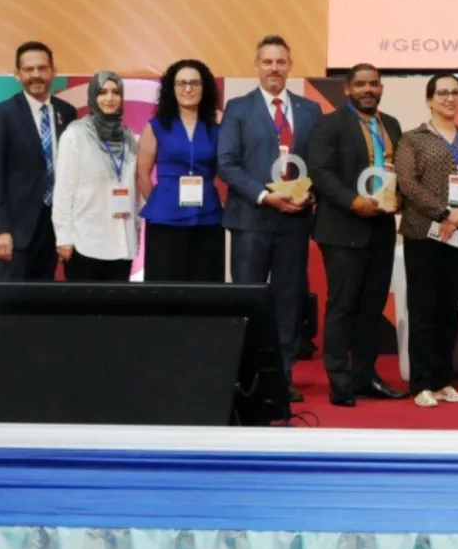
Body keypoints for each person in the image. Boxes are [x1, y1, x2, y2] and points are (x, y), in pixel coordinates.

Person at [216, 35, 322, 403]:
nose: (274, 68)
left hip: (294, 220)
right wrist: (265, 196)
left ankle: (283, 376)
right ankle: (244, 375)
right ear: (256, 66)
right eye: (267, 62)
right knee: (248, 300)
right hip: (251, 219)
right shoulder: (238, 108)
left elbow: (319, 165)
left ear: (290, 65)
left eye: (280, 62)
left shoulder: (310, 110)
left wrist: (308, 195)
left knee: (289, 301)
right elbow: (226, 163)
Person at [309, 64, 406, 406]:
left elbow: (400, 171)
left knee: (371, 309)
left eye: (374, 84)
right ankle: (339, 383)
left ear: (381, 88)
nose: (369, 89)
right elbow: (320, 172)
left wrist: (401, 200)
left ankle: (365, 377)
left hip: (381, 229)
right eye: (361, 84)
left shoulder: (391, 124)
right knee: (342, 307)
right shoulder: (330, 123)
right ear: (347, 90)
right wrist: (353, 202)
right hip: (343, 229)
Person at [395, 74, 458, 408]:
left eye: (455, 92)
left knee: (449, 309)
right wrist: (442, 212)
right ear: (429, 99)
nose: (450, 98)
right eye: (443, 93)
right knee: (422, 309)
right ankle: (420, 382)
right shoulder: (412, 139)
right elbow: (407, 183)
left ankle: (442, 380)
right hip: (423, 233)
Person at [136, 59, 225, 282]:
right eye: (181, 83)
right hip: (165, 219)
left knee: (205, 285)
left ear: (205, 88)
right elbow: (143, 175)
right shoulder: (156, 125)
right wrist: (163, 201)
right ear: (171, 88)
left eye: (195, 83)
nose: (188, 89)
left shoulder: (218, 123)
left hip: (207, 217)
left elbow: (228, 166)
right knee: (165, 285)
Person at [0, 41, 77, 281]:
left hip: (55, 226)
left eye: (42, 68)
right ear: (17, 74)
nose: (36, 75)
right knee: (12, 303)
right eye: (28, 69)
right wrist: (1, 230)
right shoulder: (3, 114)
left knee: (44, 301)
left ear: (53, 71)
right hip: (17, 230)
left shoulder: (68, 112)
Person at [52, 72, 140, 281]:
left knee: (117, 310)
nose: (110, 98)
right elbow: (64, 189)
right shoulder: (75, 135)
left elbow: (132, 190)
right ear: (92, 96)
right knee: (85, 310)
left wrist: (135, 231)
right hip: (86, 241)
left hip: (122, 242)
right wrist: (63, 237)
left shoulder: (128, 136)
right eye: (102, 92)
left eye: (116, 92)